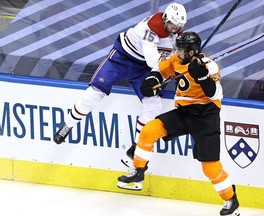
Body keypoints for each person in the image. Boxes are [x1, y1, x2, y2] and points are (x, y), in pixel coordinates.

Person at [117, 32, 240, 216]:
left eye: (181, 50)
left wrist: (203, 77)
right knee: (149, 130)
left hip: (206, 117)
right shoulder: (176, 59)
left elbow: (214, 94)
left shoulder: (209, 66)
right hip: (184, 113)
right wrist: (152, 81)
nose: (177, 52)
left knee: (210, 167)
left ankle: (230, 199)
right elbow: (160, 70)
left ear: (192, 52)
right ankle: (138, 170)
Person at [53, 3, 187, 158]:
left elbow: (175, 58)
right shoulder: (151, 28)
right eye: (172, 24)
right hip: (122, 58)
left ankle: (137, 145)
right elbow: (153, 60)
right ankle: (67, 125)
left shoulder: (176, 35)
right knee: (95, 91)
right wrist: (172, 69)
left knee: (154, 104)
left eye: (178, 26)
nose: (175, 28)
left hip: (142, 68)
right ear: (165, 19)